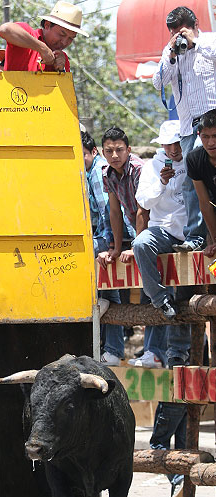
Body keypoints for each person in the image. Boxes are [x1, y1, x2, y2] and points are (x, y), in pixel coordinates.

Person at [98, 126, 167, 367]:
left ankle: (155, 351)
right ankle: (116, 351)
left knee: (152, 288)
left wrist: (135, 246)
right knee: (110, 272)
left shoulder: (139, 169)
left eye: (119, 150)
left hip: (157, 228)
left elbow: (143, 211)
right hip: (134, 231)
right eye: (109, 151)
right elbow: (114, 211)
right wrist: (116, 248)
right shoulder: (107, 173)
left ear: (128, 150)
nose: (114, 155)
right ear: (102, 152)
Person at [152, 5, 216, 253]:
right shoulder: (171, 52)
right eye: (174, 33)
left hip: (212, 121)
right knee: (192, 180)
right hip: (189, 125)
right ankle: (196, 236)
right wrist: (170, 54)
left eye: (182, 31)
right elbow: (158, 82)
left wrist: (195, 43)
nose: (179, 37)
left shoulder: (209, 42)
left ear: (195, 25)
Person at [132, 120, 191, 367]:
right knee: (140, 243)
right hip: (163, 231)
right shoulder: (151, 166)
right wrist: (162, 182)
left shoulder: (192, 158)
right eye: (169, 145)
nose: (174, 150)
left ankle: (178, 351)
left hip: (190, 234)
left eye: (177, 144)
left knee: (188, 289)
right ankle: (158, 297)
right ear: (163, 145)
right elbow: (143, 200)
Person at [82, 131, 134, 366]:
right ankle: (109, 347)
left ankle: (109, 343)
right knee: (109, 288)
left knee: (82, 254)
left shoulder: (99, 173)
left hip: (117, 237)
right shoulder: (94, 171)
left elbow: (109, 213)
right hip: (111, 236)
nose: (114, 155)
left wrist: (109, 244)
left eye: (82, 155)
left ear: (93, 152)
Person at [0, 1, 88, 72]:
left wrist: (61, 70)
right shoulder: (28, 34)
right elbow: (5, 29)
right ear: (47, 25)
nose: (64, 42)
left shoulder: (62, 58)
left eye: (70, 38)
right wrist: (42, 48)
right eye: (62, 34)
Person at [187, 109, 216, 257]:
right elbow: (204, 203)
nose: (211, 143)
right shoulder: (194, 159)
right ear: (199, 136)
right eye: (205, 137)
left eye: (215, 136)